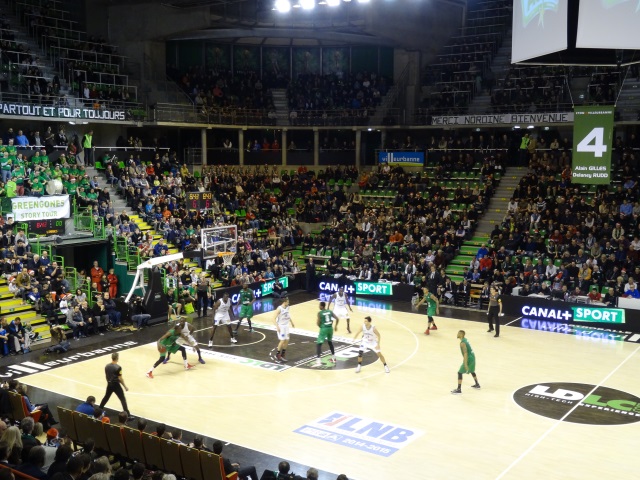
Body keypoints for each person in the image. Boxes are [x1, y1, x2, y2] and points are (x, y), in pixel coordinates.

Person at [98, 353, 131, 418]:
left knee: (106, 397)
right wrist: (125, 386)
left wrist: (109, 381)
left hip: (109, 384)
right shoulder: (118, 367)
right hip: (116, 385)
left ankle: (99, 409)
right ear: (117, 358)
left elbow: (107, 375)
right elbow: (120, 378)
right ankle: (128, 415)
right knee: (122, 399)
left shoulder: (107, 366)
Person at [451, 330, 480, 394]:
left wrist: (465, 364)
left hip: (469, 358)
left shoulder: (462, 343)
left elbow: (465, 353)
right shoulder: (465, 339)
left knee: (460, 372)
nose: (457, 334)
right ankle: (477, 384)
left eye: (458, 333)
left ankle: (459, 389)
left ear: (461, 334)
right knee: (472, 370)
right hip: (472, 356)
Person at [313, 301, 339, 368]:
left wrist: (321, 327)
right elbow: (337, 318)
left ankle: (318, 361)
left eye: (319, 305)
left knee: (319, 344)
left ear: (322, 306)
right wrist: (335, 326)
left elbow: (318, 323)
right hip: (330, 328)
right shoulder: (330, 311)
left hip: (324, 329)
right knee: (330, 342)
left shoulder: (320, 313)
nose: (319, 306)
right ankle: (333, 358)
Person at [274, 297, 295, 362]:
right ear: (284, 302)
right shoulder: (279, 309)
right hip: (281, 326)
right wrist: (277, 326)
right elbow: (273, 318)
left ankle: (283, 354)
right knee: (282, 340)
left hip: (286, 326)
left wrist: (291, 322)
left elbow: (288, 316)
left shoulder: (288, 307)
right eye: (287, 302)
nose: (288, 303)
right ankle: (277, 354)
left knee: (287, 340)